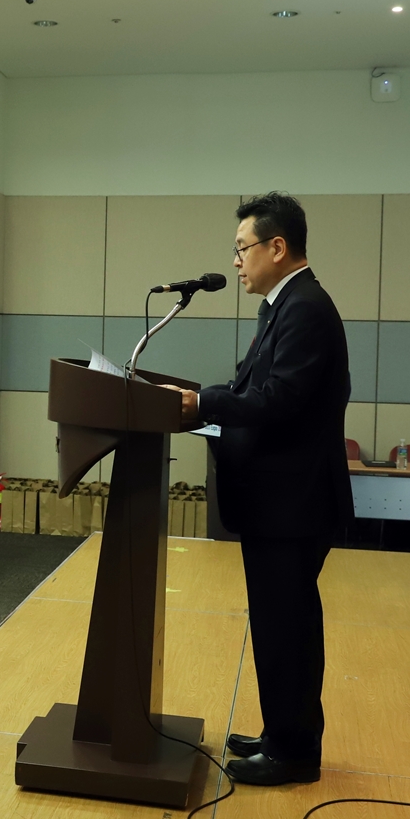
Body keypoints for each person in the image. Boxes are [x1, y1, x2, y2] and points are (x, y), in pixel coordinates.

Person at [165, 192, 352, 788]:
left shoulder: (306, 309)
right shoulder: (284, 306)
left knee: (288, 626)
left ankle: (293, 753)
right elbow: (256, 388)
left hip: (293, 504)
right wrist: (208, 401)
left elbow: (280, 402)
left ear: (278, 247)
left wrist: (205, 403)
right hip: (280, 502)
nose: (238, 261)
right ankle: (280, 734)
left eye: (243, 249)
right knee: (277, 623)